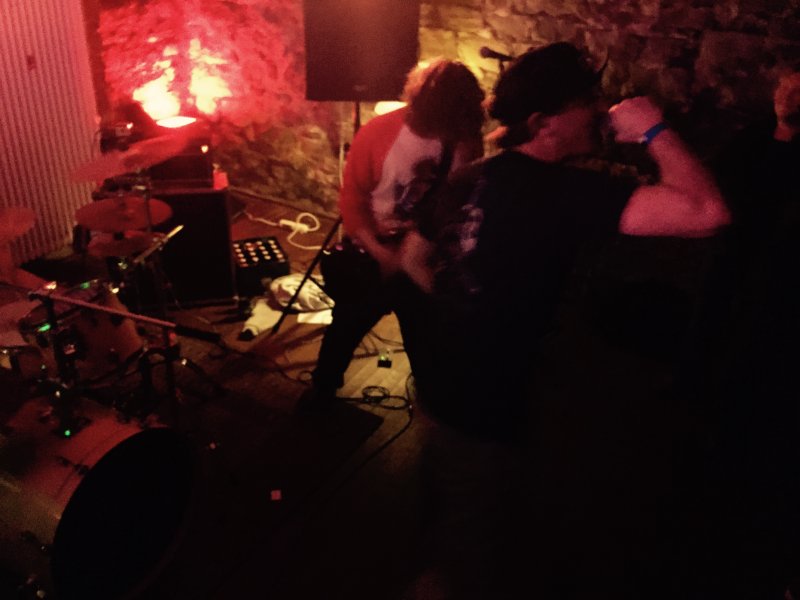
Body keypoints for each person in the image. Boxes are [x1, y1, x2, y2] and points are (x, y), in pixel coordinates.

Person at [396, 42, 730, 599]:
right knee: (477, 552)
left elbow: (412, 258)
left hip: (443, 392)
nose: (599, 109)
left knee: (452, 522)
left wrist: (467, 305)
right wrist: (653, 129)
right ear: (542, 123)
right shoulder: (562, 192)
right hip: (494, 409)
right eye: (585, 100)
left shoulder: (468, 177)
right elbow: (708, 212)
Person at [299, 59, 485, 410]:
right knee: (347, 325)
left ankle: (430, 402)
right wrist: (382, 252)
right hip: (376, 253)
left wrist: (463, 162)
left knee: (424, 336)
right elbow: (352, 200)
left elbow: (458, 206)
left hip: (424, 257)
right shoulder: (377, 133)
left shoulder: (461, 138)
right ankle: (323, 386)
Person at [678, 67, 800, 599]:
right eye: (786, 85)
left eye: (799, 89)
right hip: (735, 269)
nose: (789, 93)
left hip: (778, 290)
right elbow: (721, 185)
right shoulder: (755, 135)